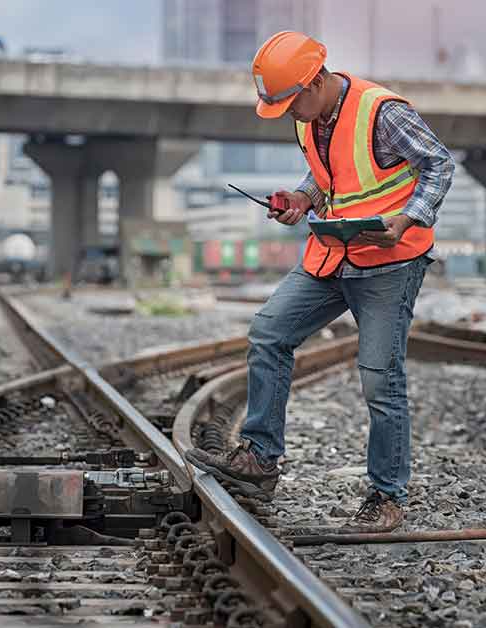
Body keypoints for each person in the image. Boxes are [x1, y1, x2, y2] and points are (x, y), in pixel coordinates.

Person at [184, 32, 454, 532]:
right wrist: (302, 199)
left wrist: (410, 218)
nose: (289, 113)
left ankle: (386, 497)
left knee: (379, 377)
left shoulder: (382, 112)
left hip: (389, 261)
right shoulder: (310, 119)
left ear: (315, 83)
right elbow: (329, 177)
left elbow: (438, 164)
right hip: (332, 254)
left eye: (290, 102)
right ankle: (261, 458)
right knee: (269, 332)